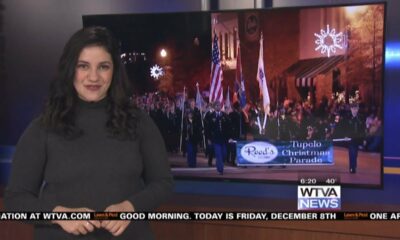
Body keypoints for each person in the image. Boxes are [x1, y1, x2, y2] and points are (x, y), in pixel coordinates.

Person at [4, 26, 174, 239]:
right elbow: (16, 199)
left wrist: (131, 207)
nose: (93, 77)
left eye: (103, 67)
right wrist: (60, 215)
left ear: (114, 71)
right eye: (83, 66)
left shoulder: (139, 122)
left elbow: (163, 183)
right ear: (70, 69)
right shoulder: (43, 127)